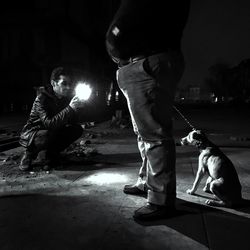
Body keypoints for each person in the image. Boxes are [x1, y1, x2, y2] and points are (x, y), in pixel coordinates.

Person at [106, 0, 190, 220]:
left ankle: (161, 201)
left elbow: (124, 22)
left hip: (146, 62)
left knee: (154, 134)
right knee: (145, 132)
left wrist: (113, 37)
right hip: (144, 61)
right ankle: (148, 183)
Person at [19, 66, 85, 171]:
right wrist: (70, 108)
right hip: (33, 133)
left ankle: (50, 155)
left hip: (52, 131)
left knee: (76, 129)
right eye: (64, 83)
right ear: (54, 83)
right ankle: (28, 154)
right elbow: (48, 123)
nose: (68, 87)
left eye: (70, 84)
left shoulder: (65, 98)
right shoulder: (42, 98)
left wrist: (77, 109)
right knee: (46, 134)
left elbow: (71, 121)